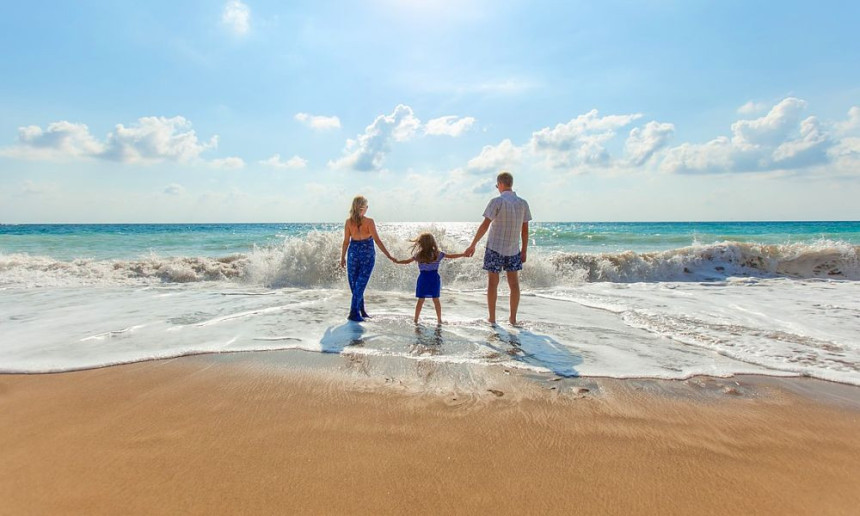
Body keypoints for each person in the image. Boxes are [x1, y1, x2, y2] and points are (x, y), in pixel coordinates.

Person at [464, 171, 532, 325]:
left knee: (492, 284)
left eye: (497, 185)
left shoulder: (496, 201)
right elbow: (525, 230)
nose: (497, 188)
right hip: (514, 249)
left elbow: (485, 225)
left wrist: (473, 244)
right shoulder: (523, 203)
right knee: (514, 285)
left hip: (494, 247)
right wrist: (525, 250)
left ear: (501, 184)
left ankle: (492, 318)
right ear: (511, 184)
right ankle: (513, 319)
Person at [340, 195, 394, 322]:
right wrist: (389, 255)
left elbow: (346, 242)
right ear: (363, 208)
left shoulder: (349, 222)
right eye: (366, 206)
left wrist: (342, 257)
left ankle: (361, 311)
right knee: (358, 284)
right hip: (366, 254)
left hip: (353, 253)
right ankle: (354, 312)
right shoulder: (369, 222)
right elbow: (377, 240)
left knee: (357, 284)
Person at [394, 232, 466, 324]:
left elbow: (407, 261)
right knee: (436, 299)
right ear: (433, 242)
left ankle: (416, 319)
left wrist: (397, 261)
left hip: (423, 278)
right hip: (434, 278)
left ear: (421, 243)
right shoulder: (438, 254)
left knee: (420, 300)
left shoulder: (419, 255)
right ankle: (439, 320)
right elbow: (451, 256)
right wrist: (463, 254)